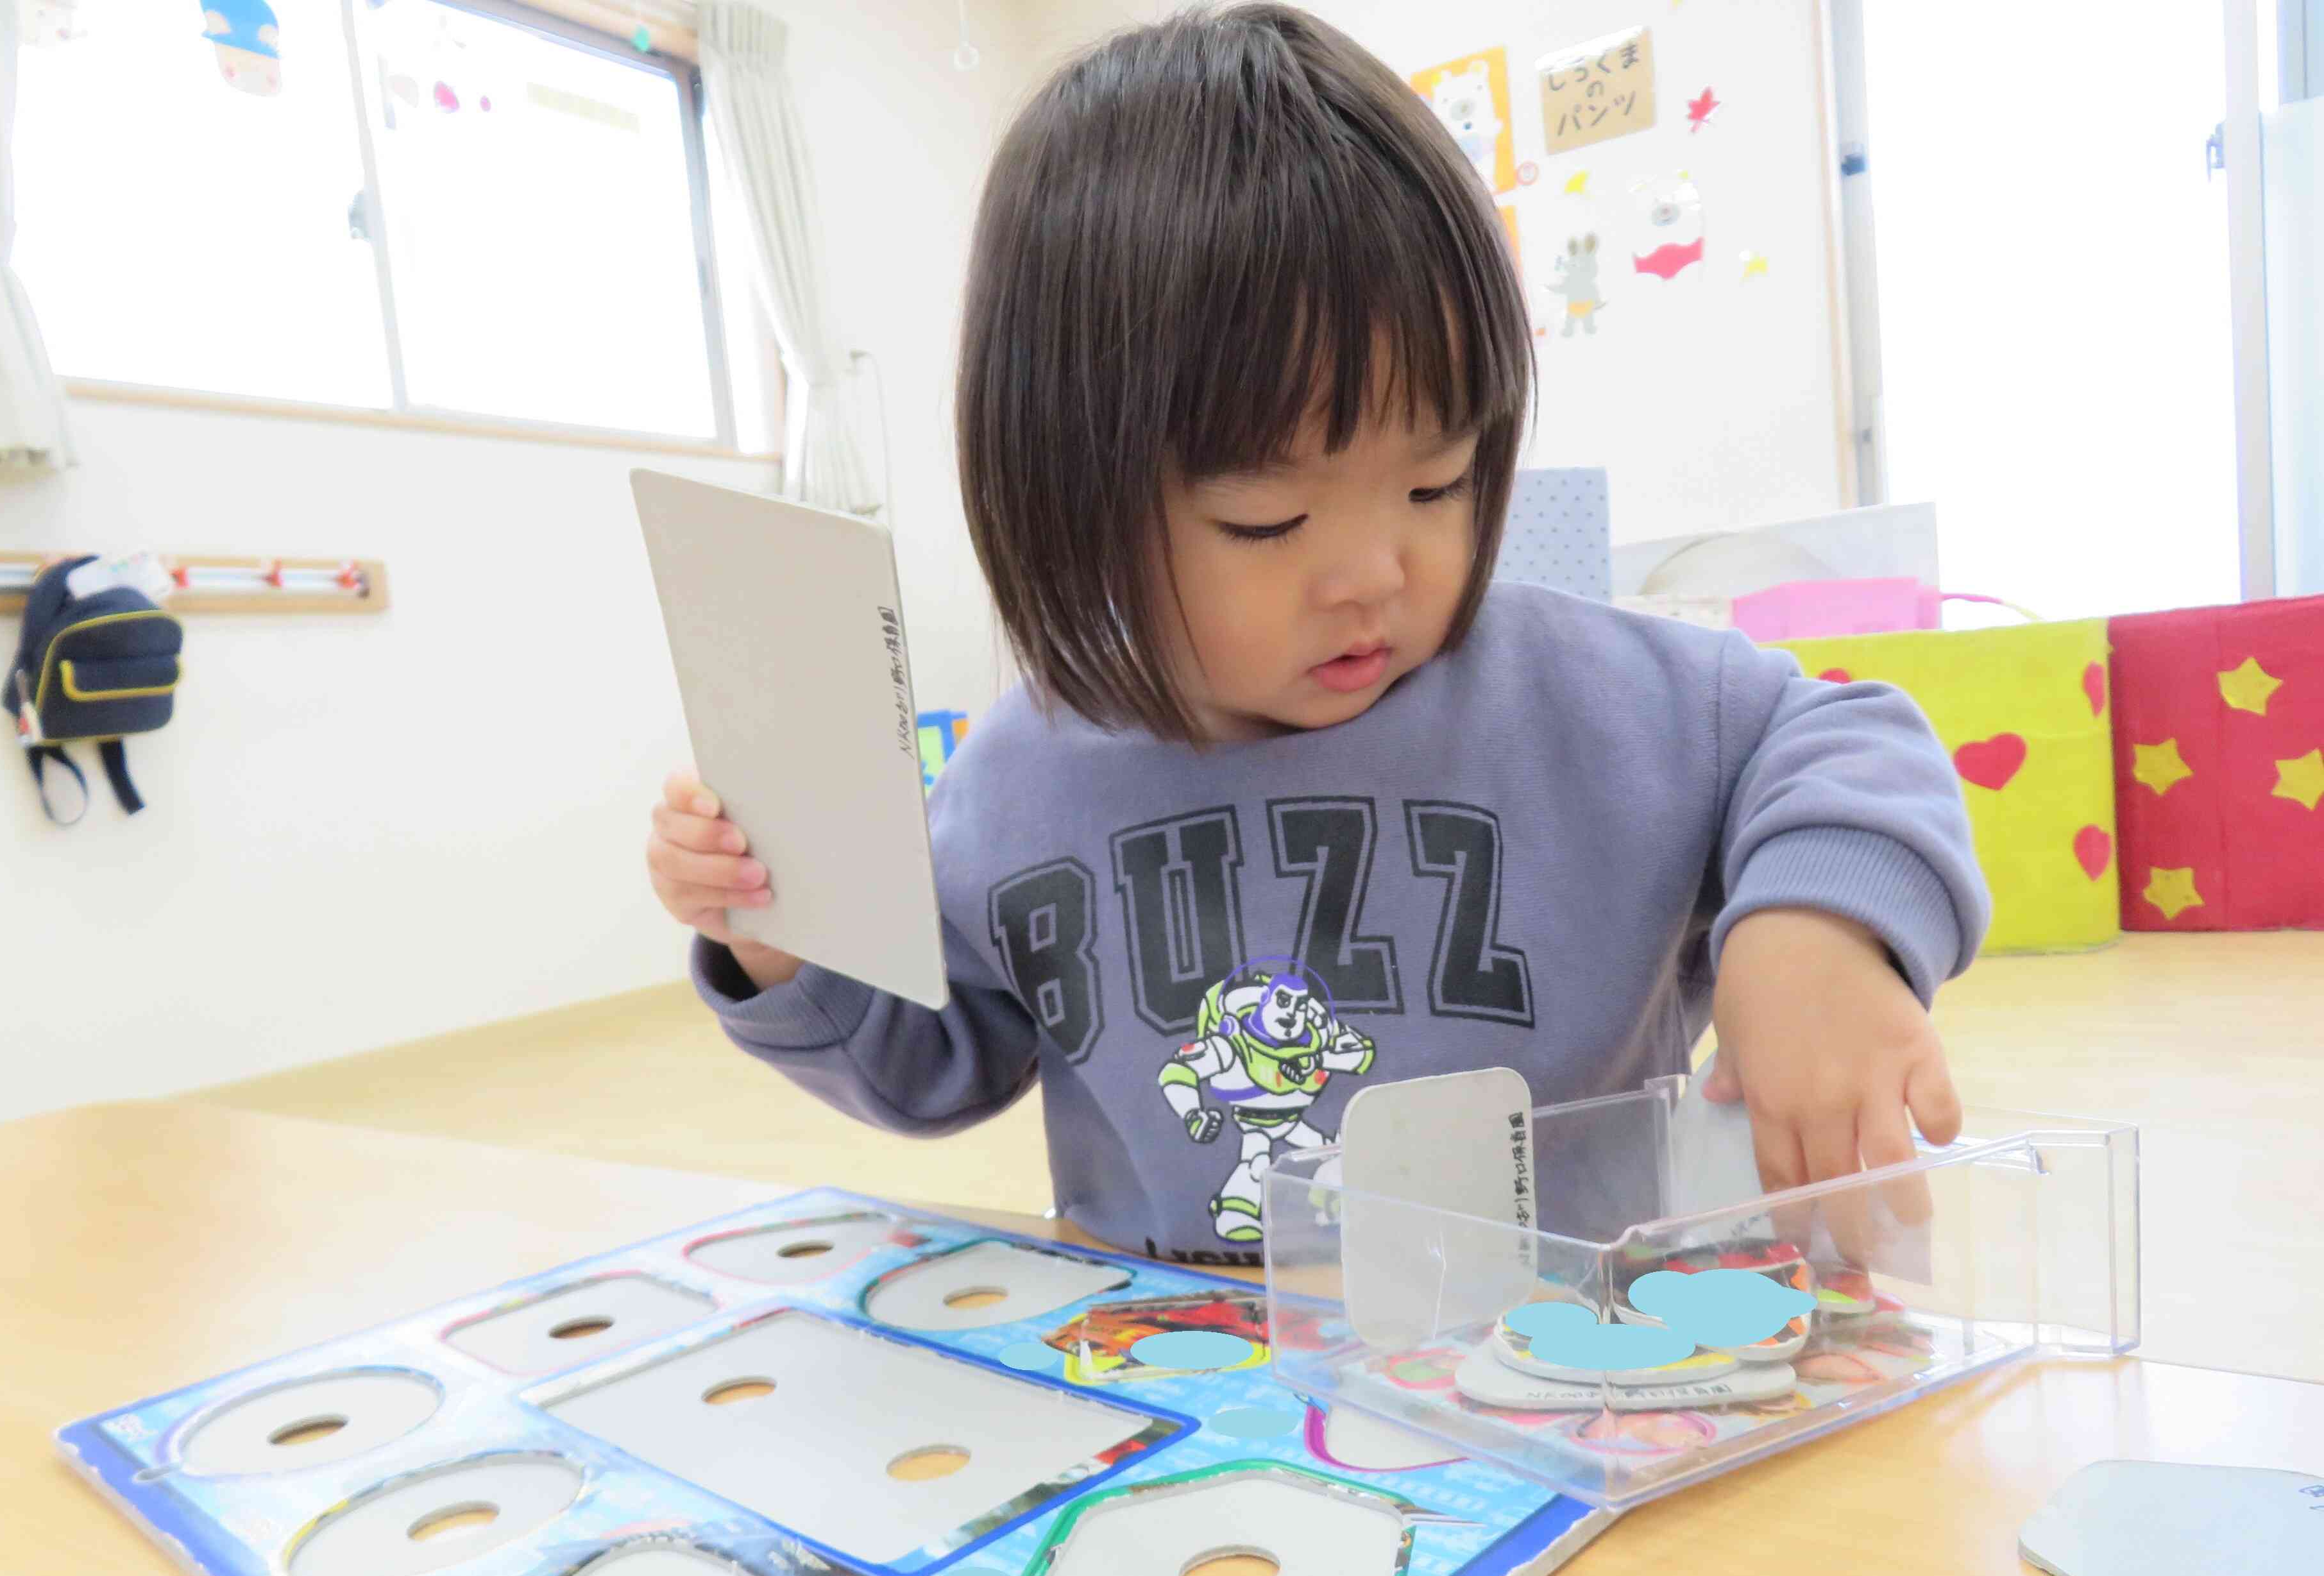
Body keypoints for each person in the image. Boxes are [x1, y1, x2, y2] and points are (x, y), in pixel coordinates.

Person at [645, 4, 1988, 1266]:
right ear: (1071, 499)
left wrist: (1815, 932)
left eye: (1437, 484)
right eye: (1268, 519)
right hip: (1195, 1380)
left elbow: (1847, 734)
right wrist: (781, 936)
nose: (1375, 575)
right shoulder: (1018, 778)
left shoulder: (1599, 700)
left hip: (1574, 1360)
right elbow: (926, 1067)